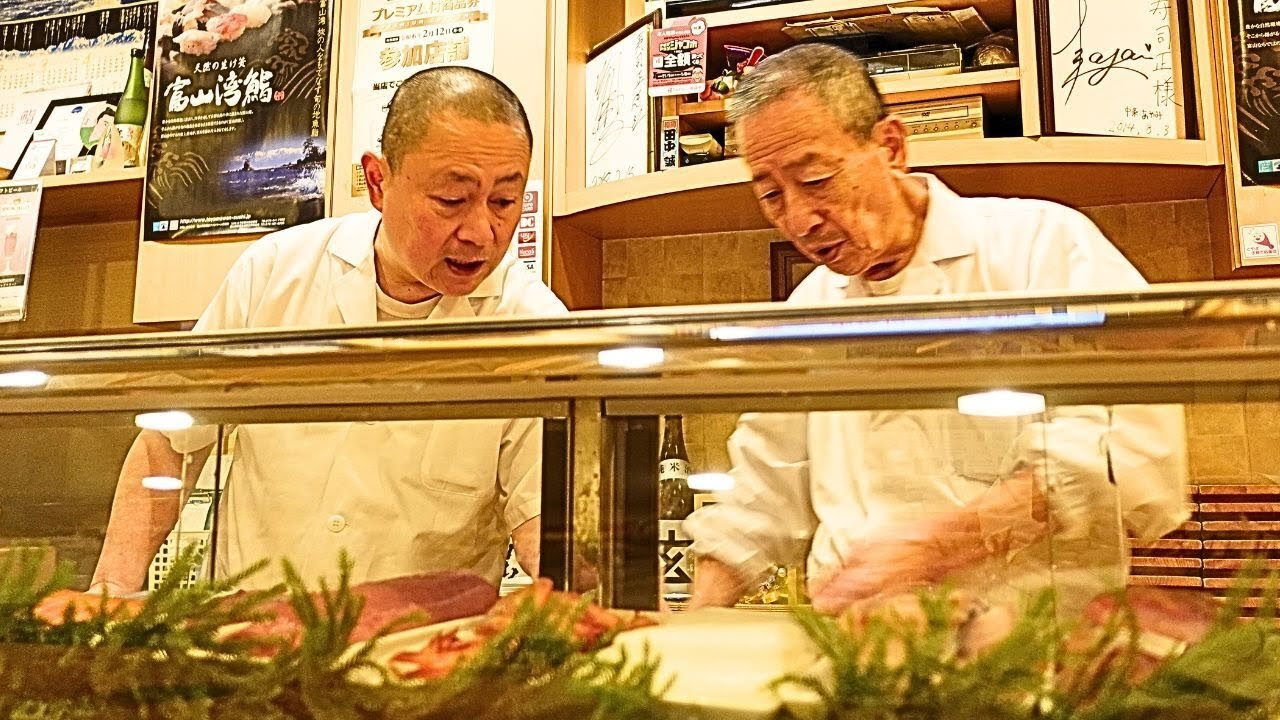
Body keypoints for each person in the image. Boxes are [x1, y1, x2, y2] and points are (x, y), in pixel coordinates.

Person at [684, 44, 1188, 616]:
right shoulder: (810, 307)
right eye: (771, 195)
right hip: (862, 659)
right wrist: (688, 627)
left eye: (817, 179)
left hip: (1035, 658)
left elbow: (1127, 454)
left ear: (891, 147)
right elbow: (759, 497)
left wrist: (938, 544)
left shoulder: (1042, 247)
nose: (798, 219)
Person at [92, 67, 565, 592]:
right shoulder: (274, 272)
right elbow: (170, 446)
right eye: (451, 201)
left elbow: (545, 526)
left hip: (423, 653)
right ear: (380, 182)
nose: (481, 232)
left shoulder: (531, 325)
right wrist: (109, 594)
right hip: (254, 640)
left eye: (503, 202)